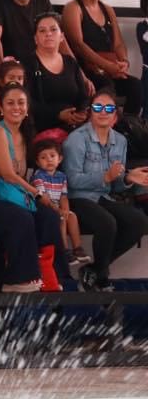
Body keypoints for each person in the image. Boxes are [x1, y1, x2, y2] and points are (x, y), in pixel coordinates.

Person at [0, 84, 67, 293]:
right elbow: (8, 175)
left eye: (21, 103)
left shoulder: (24, 136)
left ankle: (51, 276)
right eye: (10, 103)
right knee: (21, 217)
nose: (16, 107)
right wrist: (38, 194)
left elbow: (19, 177)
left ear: (28, 108)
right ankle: (17, 278)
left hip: (9, 193)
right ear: (1, 108)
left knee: (48, 216)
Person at [63, 92, 148, 291]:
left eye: (108, 109)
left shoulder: (120, 141)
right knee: (107, 223)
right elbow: (72, 180)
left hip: (103, 195)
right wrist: (105, 177)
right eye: (97, 108)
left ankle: (94, 270)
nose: (103, 112)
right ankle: (101, 278)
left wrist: (127, 178)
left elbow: (115, 185)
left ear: (115, 116)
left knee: (139, 222)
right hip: (78, 197)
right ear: (90, 113)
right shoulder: (75, 140)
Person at [61, 0, 141, 117]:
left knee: (135, 86)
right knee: (106, 85)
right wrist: (107, 66)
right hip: (84, 69)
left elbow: (118, 43)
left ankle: (127, 129)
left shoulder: (108, 10)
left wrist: (123, 63)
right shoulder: (73, 8)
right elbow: (78, 45)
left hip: (109, 68)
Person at [22, 13, 90, 134]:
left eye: (53, 29)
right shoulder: (28, 64)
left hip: (74, 127)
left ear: (62, 36)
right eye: (42, 31)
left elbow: (83, 95)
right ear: (35, 39)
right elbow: (27, 102)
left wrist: (81, 112)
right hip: (42, 129)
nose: (48, 34)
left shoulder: (70, 62)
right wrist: (58, 115)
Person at [28, 138, 90, 266]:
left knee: (72, 216)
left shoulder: (61, 176)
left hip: (57, 206)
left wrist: (66, 210)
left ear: (60, 159)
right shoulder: (38, 176)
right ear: (37, 162)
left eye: (52, 156)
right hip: (44, 206)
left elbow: (63, 196)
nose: (49, 160)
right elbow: (43, 198)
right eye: (43, 157)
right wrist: (59, 211)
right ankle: (64, 250)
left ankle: (77, 248)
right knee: (61, 218)